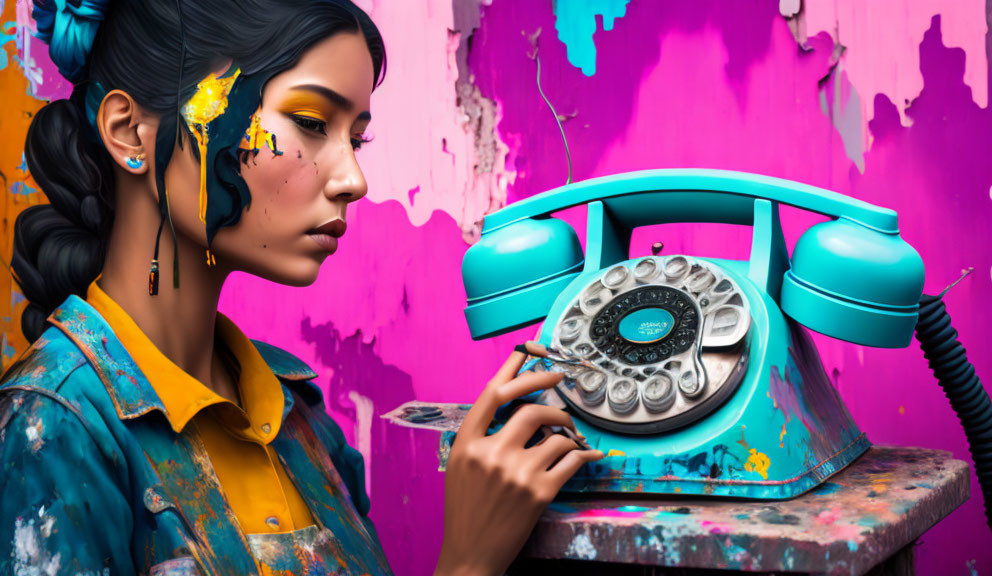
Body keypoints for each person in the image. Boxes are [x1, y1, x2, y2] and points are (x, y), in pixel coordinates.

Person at [0, 0, 604, 574]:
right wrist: (468, 562)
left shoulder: (301, 415)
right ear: (130, 133)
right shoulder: (52, 429)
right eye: (312, 122)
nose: (353, 179)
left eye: (356, 137)